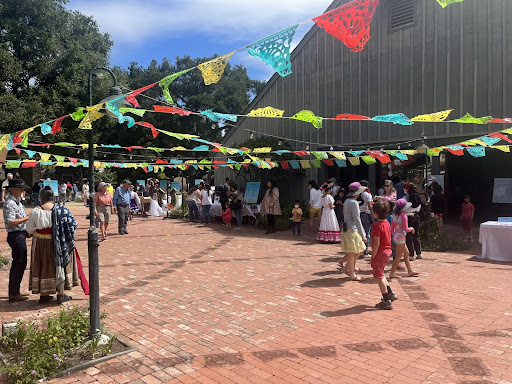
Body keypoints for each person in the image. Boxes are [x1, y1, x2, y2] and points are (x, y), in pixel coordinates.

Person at [26, 187, 82, 304]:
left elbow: (29, 229)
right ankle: (61, 293)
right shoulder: (62, 210)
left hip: (41, 243)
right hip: (59, 242)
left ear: (41, 198)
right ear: (53, 197)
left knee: (43, 265)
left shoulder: (36, 211)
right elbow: (73, 225)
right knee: (60, 264)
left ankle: (44, 294)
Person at [3, 179, 30, 302]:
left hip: (20, 233)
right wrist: (27, 218)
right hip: (15, 235)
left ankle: (15, 290)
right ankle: (13, 293)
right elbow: (11, 221)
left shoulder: (18, 202)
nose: (22, 191)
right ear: (12, 190)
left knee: (21, 262)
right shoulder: (10, 203)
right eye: (20, 189)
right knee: (19, 263)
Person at [371, 201, 398, 310]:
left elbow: (376, 243)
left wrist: (373, 255)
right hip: (388, 250)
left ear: (375, 213)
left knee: (379, 276)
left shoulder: (377, 226)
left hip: (380, 252)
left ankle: (386, 300)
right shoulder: (387, 222)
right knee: (381, 274)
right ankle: (390, 293)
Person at [340, 182, 367, 281]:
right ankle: (351, 274)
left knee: (356, 251)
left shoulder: (347, 201)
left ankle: (347, 268)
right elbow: (357, 219)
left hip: (347, 228)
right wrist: (363, 234)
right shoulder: (354, 202)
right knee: (355, 252)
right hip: (352, 229)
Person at [389, 199, 420, 279]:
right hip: (401, 237)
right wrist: (411, 229)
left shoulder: (395, 215)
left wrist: (394, 235)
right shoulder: (404, 216)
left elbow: (392, 228)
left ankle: (410, 271)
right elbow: (406, 229)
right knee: (398, 256)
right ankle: (392, 273)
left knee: (406, 253)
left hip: (396, 236)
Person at [405, 182, 423, 260]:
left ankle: (411, 254)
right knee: (416, 235)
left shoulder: (407, 197)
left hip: (409, 217)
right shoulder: (418, 196)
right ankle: (419, 253)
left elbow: (405, 208)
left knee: (409, 236)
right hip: (417, 216)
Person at [359, 180, 374, 256]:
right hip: (366, 214)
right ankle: (365, 250)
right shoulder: (367, 195)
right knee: (366, 233)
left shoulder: (357, 194)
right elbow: (370, 206)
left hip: (358, 214)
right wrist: (373, 213)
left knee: (359, 232)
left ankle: (358, 250)